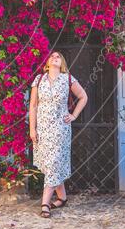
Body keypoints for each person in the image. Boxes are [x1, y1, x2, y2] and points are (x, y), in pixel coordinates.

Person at [29, 51, 88, 218]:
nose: (55, 57)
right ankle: (62, 197)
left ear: (62, 62)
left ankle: (45, 203)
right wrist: (32, 129)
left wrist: (74, 115)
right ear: (47, 62)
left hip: (60, 129)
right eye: (52, 56)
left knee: (54, 161)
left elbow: (83, 97)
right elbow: (33, 106)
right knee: (50, 164)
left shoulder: (68, 78)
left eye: (58, 56)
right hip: (43, 129)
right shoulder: (39, 80)